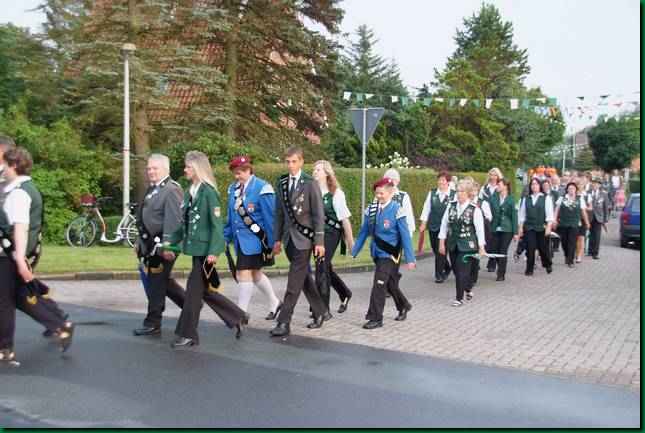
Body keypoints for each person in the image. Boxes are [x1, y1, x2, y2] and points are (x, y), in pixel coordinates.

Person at [163, 151, 248, 348]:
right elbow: (184, 225)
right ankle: (238, 316)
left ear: (197, 169)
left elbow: (216, 226)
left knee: (193, 294)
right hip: (196, 251)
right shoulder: (190, 191)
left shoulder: (209, 192)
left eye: (188, 167)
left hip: (206, 253)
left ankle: (188, 334)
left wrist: (214, 252)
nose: (185, 170)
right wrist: (169, 242)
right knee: (205, 291)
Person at [0, 146, 74, 366]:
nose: (2, 169)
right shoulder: (19, 189)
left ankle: (5, 349)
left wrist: (20, 260)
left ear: (14, 165)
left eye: (5, 165)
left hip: (8, 256)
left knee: (4, 302)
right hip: (12, 255)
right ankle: (60, 325)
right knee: (21, 297)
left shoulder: (19, 193)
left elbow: (21, 228)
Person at [269, 147, 328, 337]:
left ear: (301, 162)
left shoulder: (310, 183)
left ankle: (284, 321)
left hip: (305, 240)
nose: (290, 165)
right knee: (303, 278)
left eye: (294, 161)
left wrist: (319, 241)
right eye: (288, 162)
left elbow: (319, 215)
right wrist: (277, 239)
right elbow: (279, 214)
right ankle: (321, 311)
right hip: (288, 240)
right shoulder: (281, 182)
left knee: (293, 281)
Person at [133, 154, 186, 337]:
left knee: (156, 282)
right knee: (162, 282)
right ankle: (190, 306)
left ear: (166, 169)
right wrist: (139, 242)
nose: (151, 171)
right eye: (149, 168)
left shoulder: (171, 190)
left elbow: (174, 221)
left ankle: (153, 323)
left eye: (155, 168)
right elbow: (144, 218)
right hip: (150, 244)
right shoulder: (153, 189)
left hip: (163, 245)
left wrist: (169, 247)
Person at [352, 177, 416, 328]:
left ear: (390, 192)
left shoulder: (397, 210)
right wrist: (355, 250)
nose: (379, 196)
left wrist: (410, 258)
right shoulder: (371, 210)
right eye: (377, 193)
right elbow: (364, 232)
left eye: (382, 193)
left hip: (391, 254)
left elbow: (405, 236)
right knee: (391, 284)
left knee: (379, 283)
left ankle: (375, 318)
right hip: (377, 252)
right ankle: (404, 305)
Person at [223, 155, 281, 319]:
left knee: (243, 273)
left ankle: (240, 314)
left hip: (257, 240)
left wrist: (274, 242)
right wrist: (225, 237)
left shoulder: (262, 188)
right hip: (240, 241)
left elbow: (271, 218)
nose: (237, 176)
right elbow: (231, 218)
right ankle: (275, 302)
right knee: (255, 274)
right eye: (235, 173)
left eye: (240, 173)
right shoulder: (233, 189)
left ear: (249, 170)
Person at [312, 160, 354, 314]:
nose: (315, 172)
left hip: (331, 233)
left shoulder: (336, 194)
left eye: (318, 170)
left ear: (327, 173)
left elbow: (345, 220)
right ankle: (344, 293)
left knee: (321, 267)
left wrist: (351, 243)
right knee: (325, 267)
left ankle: (323, 309)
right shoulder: (312, 192)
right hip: (316, 235)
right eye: (314, 169)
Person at [439, 178, 487, 307]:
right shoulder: (451, 206)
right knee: (456, 271)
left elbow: (480, 230)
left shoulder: (474, 209)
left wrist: (481, 247)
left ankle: (459, 298)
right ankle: (468, 288)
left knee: (461, 271)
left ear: (468, 193)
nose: (459, 194)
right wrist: (441, 242)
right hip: (453, 243)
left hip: (467, 245)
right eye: (458, 191)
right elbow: (444, 224)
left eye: (462, 191)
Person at [419, 171, 455, 283]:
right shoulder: (432, 193)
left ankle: (439, 274)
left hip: (447, 228)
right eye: (439, 180)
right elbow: (426, 209)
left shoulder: (453, 194)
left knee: (441, 251)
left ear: (448, 182)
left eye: (443, 180)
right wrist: (423, 224)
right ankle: (447, 267)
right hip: (433, 226)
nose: (441, 182)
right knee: (436, 249)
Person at [518, 178, 554, 276]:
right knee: (530, 248)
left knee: (543, 248)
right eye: (532, 184)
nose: (534, 186)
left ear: (540, 186)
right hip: (529, 227)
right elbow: (522, 214)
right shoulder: (526, 199)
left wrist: (548, 226)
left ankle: (547, 264)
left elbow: (549, 214)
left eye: (536, 184)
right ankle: (529, 269)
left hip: (541, 227)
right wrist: (520, 227)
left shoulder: (546, 198)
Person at [553, 182, 589, 268]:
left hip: (575, 224)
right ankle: (567, 255)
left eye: (573, 188)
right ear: (567, 190)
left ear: (576, 190)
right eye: (569, 188)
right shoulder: (562, 198)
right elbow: (556, 210)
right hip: (563, 224)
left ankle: (570, 260)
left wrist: (587, 222)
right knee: (564, 242)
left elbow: (583, 212)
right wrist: (554, 220)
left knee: (572, 242)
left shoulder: (580, 199)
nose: (571, 190)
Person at [489, 178, 518, 281]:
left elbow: (514, 216)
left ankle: (501, 274)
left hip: (507, 229)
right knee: (494, 250)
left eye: (499, 185)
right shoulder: (493, 198)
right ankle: (501, 266)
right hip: (495, 228)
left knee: (503, 250)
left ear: (505, 186)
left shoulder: (511, 199)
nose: (497, 186)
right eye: (497, 185)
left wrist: (515, 232)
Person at [586, 176, 609, 260]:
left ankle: (595, 253)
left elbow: (606, 208)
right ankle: (590, 250)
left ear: (599, 185)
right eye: (593, 183)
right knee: (590, 234)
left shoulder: (604, 194)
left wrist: (605, 220)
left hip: (599, 217)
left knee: (597, 235)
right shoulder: (587, 193)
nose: (595, 185)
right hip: (589, 216)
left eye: (596, 184)